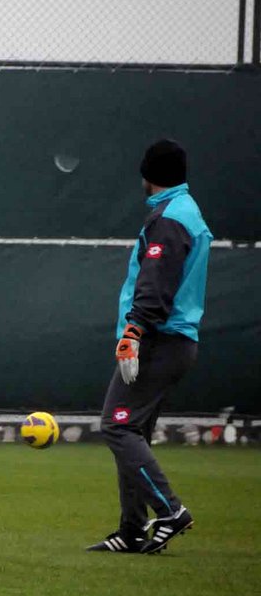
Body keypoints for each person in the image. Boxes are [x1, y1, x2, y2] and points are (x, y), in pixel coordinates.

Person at [87, 139, 212, 554]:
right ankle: (132, 531)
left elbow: (156, 284)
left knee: (117, 425)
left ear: (147, 174)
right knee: (133, 430)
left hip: (159, 340)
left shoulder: (170, 219)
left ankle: (170, 511)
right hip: (171, 340)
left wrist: (133, 333)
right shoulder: (184, 211)